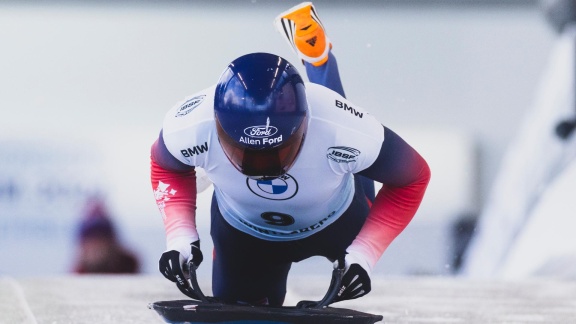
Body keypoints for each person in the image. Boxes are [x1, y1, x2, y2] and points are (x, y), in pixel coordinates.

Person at [150, 2, 430, 306]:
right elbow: (167, 168)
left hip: (340, 219)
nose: (263, 168)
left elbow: (412, 179)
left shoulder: (342, 126)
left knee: (336, 120)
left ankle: (318, 62)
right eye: (245, 153)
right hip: (247, 235)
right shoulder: (190, 125)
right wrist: (180, 238)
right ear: (216, 126)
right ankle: (315, 58)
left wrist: (364, 253)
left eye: (277, 151)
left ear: (305, 126)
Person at [72, 197, 140, 274]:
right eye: (91, 241)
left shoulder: (129, 267)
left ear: (111, 244)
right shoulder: (78, 274)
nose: (95, 247)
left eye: (100, 240)